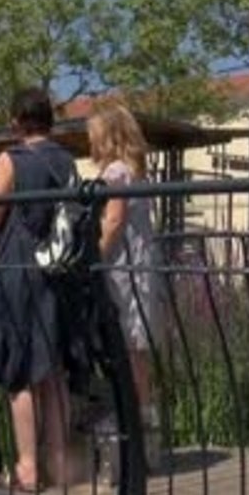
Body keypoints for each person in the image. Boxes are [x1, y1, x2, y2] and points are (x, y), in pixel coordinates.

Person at [0, 87, 81, 491]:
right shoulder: (65, 160)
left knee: (18, 373)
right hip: (56, 274)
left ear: (15, 122)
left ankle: (26, 468)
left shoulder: (12, 159)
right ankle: (60, 465)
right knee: (53, 372)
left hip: (16, 273)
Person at [86, 99, 163, 473]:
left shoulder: (115, 172)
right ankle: (145, 444)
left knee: (126, 352)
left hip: (122, 272)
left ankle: (128, 445)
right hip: (140, 267)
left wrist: (91, 258)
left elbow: (113, 221)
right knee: (139, 358)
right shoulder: (137, 172)